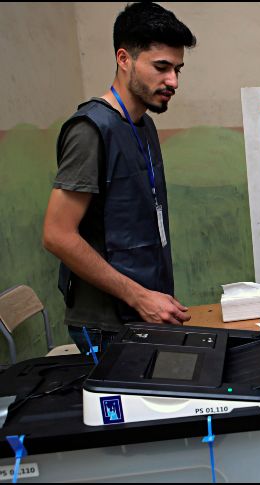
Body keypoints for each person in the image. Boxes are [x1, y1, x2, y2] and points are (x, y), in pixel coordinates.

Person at [42, 2, 196, 353]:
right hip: (106, 325)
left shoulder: (144, 125)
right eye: (161, 67)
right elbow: (56, 235)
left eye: (178, 69)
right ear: (124, 59)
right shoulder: (91, 130)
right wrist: (139, 296)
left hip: (143, 311)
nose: (172, 81)